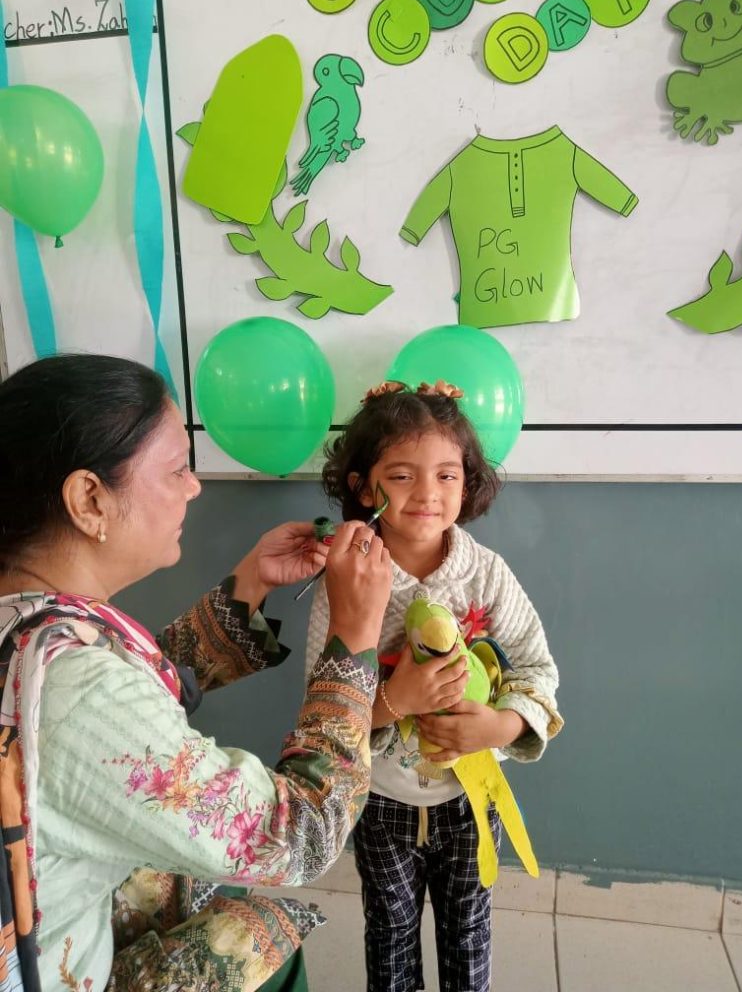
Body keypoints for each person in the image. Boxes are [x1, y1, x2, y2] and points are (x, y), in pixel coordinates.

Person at [0, 353, 392, 992]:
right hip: (45, 967)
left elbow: (128, 703)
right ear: (89, 500)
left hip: (43, 893)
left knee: (196, 880)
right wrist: (354, 640)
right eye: (177, 469)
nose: (194, 487)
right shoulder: (75, 691)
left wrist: (249, 585)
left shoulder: (28, 624)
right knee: (255, 934)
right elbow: (298, 833)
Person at [305, 380, 564, 992]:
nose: (427, 493)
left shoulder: (487, 575)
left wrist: (501, 724)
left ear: (467, 484)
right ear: (363, 486)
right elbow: (323, 709)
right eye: (401, 476)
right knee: (389, 930)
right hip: (380, 802)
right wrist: (397, 699)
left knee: (468, 930)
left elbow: (537, 668)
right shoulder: (347, 579)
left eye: (447, 475)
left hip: (470, 801)